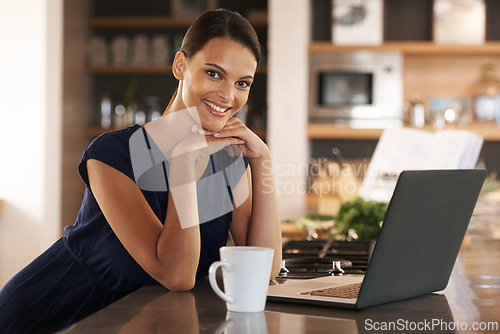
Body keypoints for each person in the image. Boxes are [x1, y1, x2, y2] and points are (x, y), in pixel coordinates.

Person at [0, 8, 282, 333]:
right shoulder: (110, 155)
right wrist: (183, 165)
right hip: (53, 316)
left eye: (242, 83)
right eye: (214, 73)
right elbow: (176, 275)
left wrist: (263, 162)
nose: (228, 95)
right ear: (180, 65)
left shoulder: (229, 163)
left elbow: (266, 273)